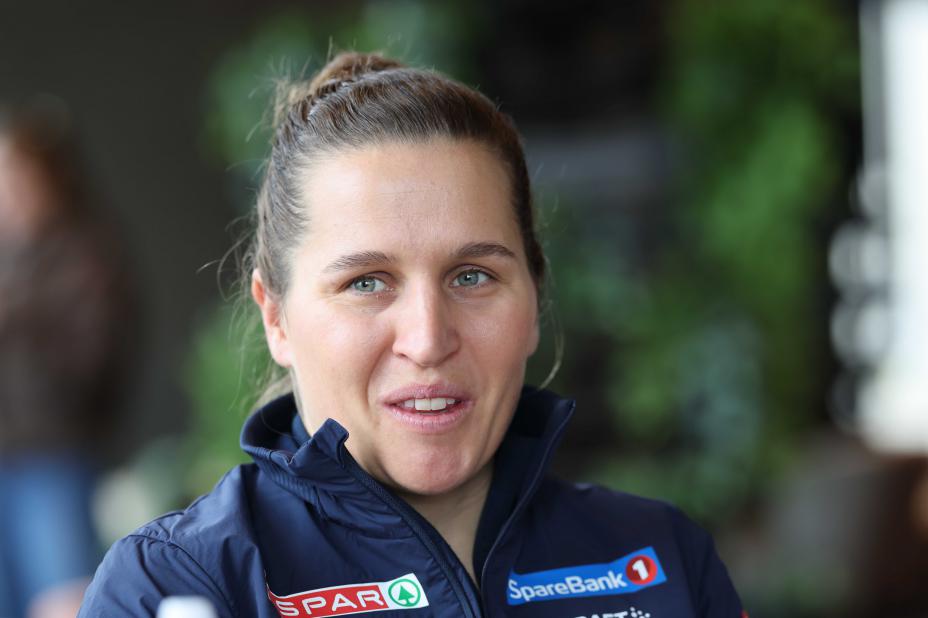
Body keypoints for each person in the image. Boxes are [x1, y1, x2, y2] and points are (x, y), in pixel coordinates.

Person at [79, 51, 746, 617]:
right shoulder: (178, 585)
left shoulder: (663, 559)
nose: (427, 340)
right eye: (367, 282)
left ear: (535, 300)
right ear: (275, 317)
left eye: (472, 276)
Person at [0, 103, 134, 618]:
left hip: (54, 453)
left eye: (17, 175)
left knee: (63, 597)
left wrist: (17, 324)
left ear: (50, 176)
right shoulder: (10, 257)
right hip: (7, 452)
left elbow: (92, 364)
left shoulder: (86, 253)